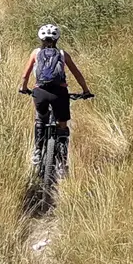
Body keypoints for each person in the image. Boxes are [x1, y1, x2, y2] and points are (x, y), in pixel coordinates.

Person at [19, 24, 92, 177]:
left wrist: (24, 88)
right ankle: (62, 163)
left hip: (41, 93)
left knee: (40, 119)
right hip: (60, 93)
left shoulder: (35, 52)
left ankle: (37, 151)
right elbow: (78, 75)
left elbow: (25, 76)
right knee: (63, 127)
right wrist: (85, 91)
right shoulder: (63, 54)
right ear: (57, 38)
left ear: (40, 38)